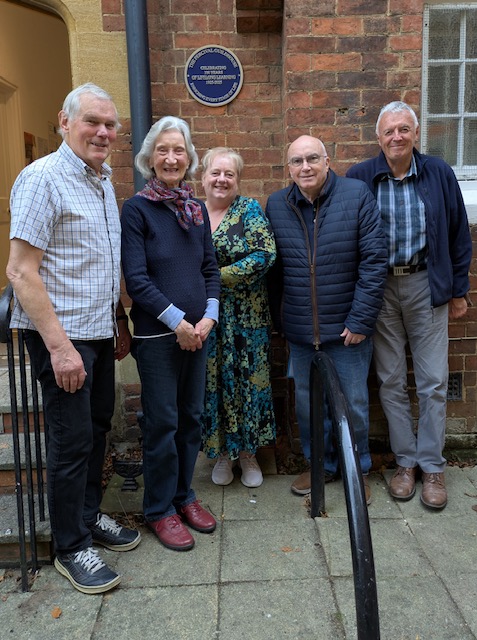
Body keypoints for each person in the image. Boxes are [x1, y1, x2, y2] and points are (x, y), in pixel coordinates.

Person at [6, 83, 141, 595]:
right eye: (93, 122)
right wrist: (60, 348)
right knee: (70, 442)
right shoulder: (43, 179)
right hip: (63, 338)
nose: (103, 132)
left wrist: (120, 321)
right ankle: (70, 546)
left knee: (99, 428)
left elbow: (102, 263)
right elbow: (21, 271)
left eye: (111, 125)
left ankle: (88, 518)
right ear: (64, 122)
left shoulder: (102, 181)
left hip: (100, 331)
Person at [346, 101, 472, 510]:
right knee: (391, 380)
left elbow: (457, 234)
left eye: (403, 129)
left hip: (425, 284)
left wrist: (457, 290)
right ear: (378, 137)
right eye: (389, 131)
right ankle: (405, 464)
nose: (396, 137)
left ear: (415, 134)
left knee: (434, 380)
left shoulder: (438, 173)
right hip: (379, 289)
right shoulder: (361, 177)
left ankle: (433, 467)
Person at [265, 135, 388, 503]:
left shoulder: (356, 195)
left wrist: (362, 320)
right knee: (308, 408)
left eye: (312, 159)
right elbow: (275, 272)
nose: (305, 167)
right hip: (302, 334)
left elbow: (374, 261)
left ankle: (356, 469)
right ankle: (320, 466)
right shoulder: (277, 204)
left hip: (348, 330)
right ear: (288, 168)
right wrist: (282, 322)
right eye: (297, 161)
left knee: (353, 406)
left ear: (327, 160)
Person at [120, 116, 220, 552]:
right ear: (149, 158)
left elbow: (210, 270)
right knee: (162, 423)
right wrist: (178, 321)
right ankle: (159, 508)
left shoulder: (195, 210)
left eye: (179, 150)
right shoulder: (137, 210)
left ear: (189, 157)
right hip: (159, 337)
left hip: (198, 333)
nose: (171, 157)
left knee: (191, 419)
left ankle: (185, 496)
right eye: (163, 150)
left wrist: (207, 319)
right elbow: (137, 280)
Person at [200, 147, 277, 488]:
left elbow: (265, 254)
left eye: (229, 174)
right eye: (216, 173)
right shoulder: (192, 214)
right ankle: (220, 455)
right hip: (206, 317)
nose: (222, 179)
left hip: (247, 318)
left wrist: (217, 276)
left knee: (248, 383)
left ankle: (248, 454)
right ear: (202, 177)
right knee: (213, 384)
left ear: (238, 180)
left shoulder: (249, 210)